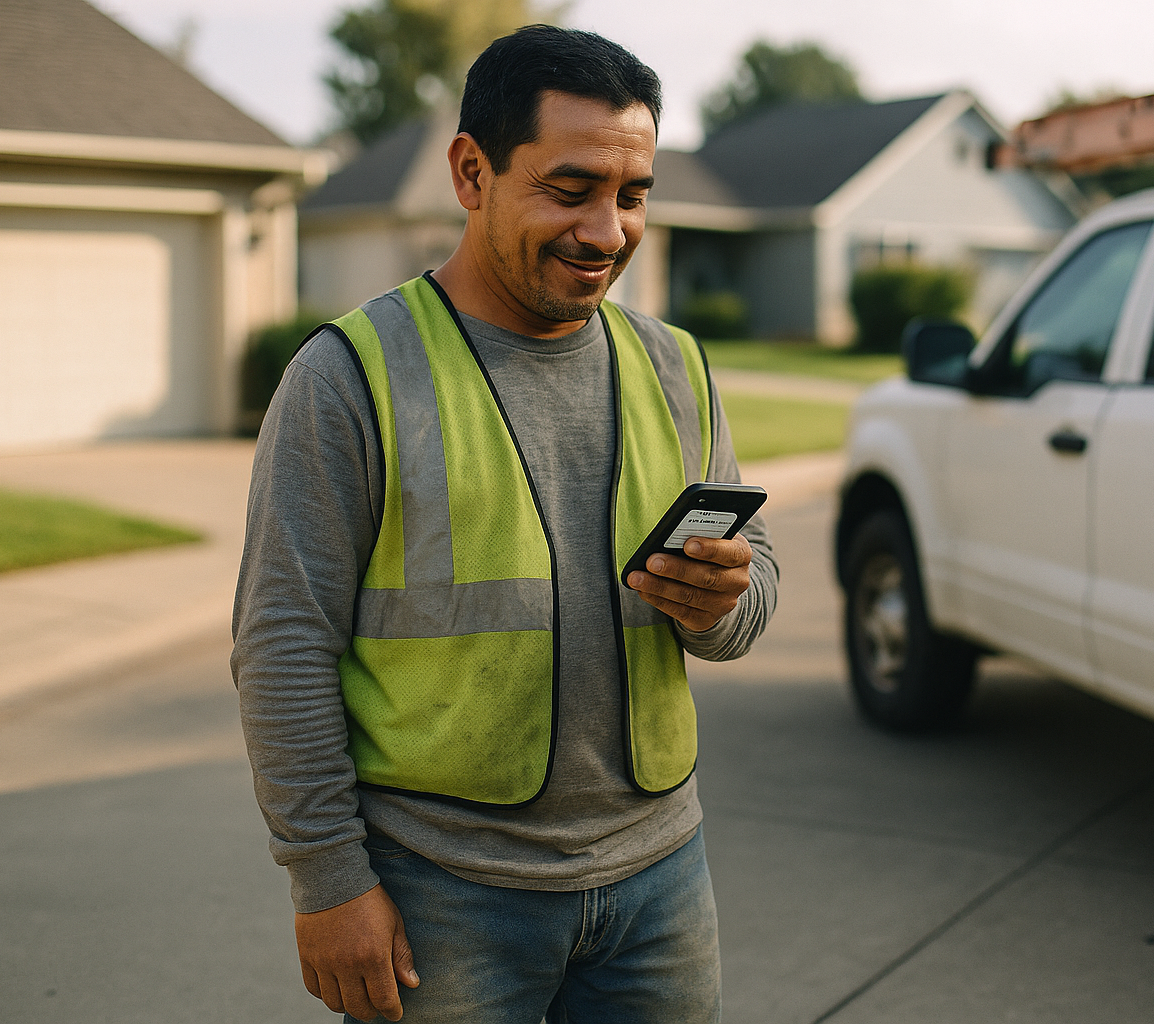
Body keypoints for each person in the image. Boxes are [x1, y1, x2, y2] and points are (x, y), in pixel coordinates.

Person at [232, 24, 777, 1024]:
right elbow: (282, 643)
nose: (607, 231)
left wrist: (723, 599)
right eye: (569, 191)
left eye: (633, 195)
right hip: (441, 893)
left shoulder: (676, 367)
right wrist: (327, 882)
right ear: (470, 172)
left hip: (660, 879)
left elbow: (751, 594)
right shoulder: (348, 377)